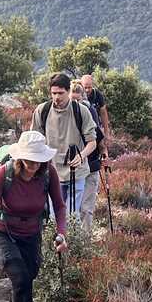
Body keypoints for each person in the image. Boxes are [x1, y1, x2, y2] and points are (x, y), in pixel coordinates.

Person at [0, 130, 68, 302]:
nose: (34, 165)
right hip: (3, 233)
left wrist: (61, 234)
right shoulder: (5, 173)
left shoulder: (48, 173)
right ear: (20, 157)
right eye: (30, 160)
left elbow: (59, 206)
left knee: (27, 278)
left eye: (38, 160)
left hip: (31, 234)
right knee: (20, 279)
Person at [34, 72, 98, 216]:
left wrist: (81, 156)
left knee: (71, 217)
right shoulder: (42, 111)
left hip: (76, 172)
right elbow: (35, 141)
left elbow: (92, 142)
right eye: (54, 93)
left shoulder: (81, 111)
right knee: (54, 217)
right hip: (52, 172)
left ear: (68, 91)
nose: (57, 97)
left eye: (60, 93)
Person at [70, 81, 103, 235]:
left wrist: (104, 155)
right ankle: (73, 239)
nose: (75, 104)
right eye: (72, 100)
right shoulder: (62, 116)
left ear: (83, 98)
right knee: (73, 207)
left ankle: (85, 241)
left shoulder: (89, 113)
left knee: (86, 208)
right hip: (73, 170)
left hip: (90, 166)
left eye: (78, 100)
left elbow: (99, 139)